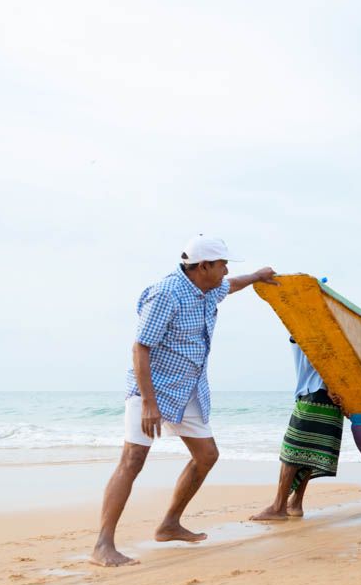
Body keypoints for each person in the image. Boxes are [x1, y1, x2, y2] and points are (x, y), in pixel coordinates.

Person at [90, 236, 277, 567]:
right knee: (133, 459)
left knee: (207, 456)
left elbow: (231, 285)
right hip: (153, 388)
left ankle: (169, 524)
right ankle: (103, 546)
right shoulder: (167, 294)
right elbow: (141, 348)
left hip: (188, 387)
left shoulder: (207, 289)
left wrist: (258, 276)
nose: (226, 269)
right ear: (203, 266)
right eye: (222, 264)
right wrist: (149, 403)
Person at [251, 339, 345, 521]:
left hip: (316, 392)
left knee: (291, 453)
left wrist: (329, 385)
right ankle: (295, 504)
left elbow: (322, 357)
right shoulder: (333, 329)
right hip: (333, 399)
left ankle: (278, 507)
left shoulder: (307, 327)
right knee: (309, 453)